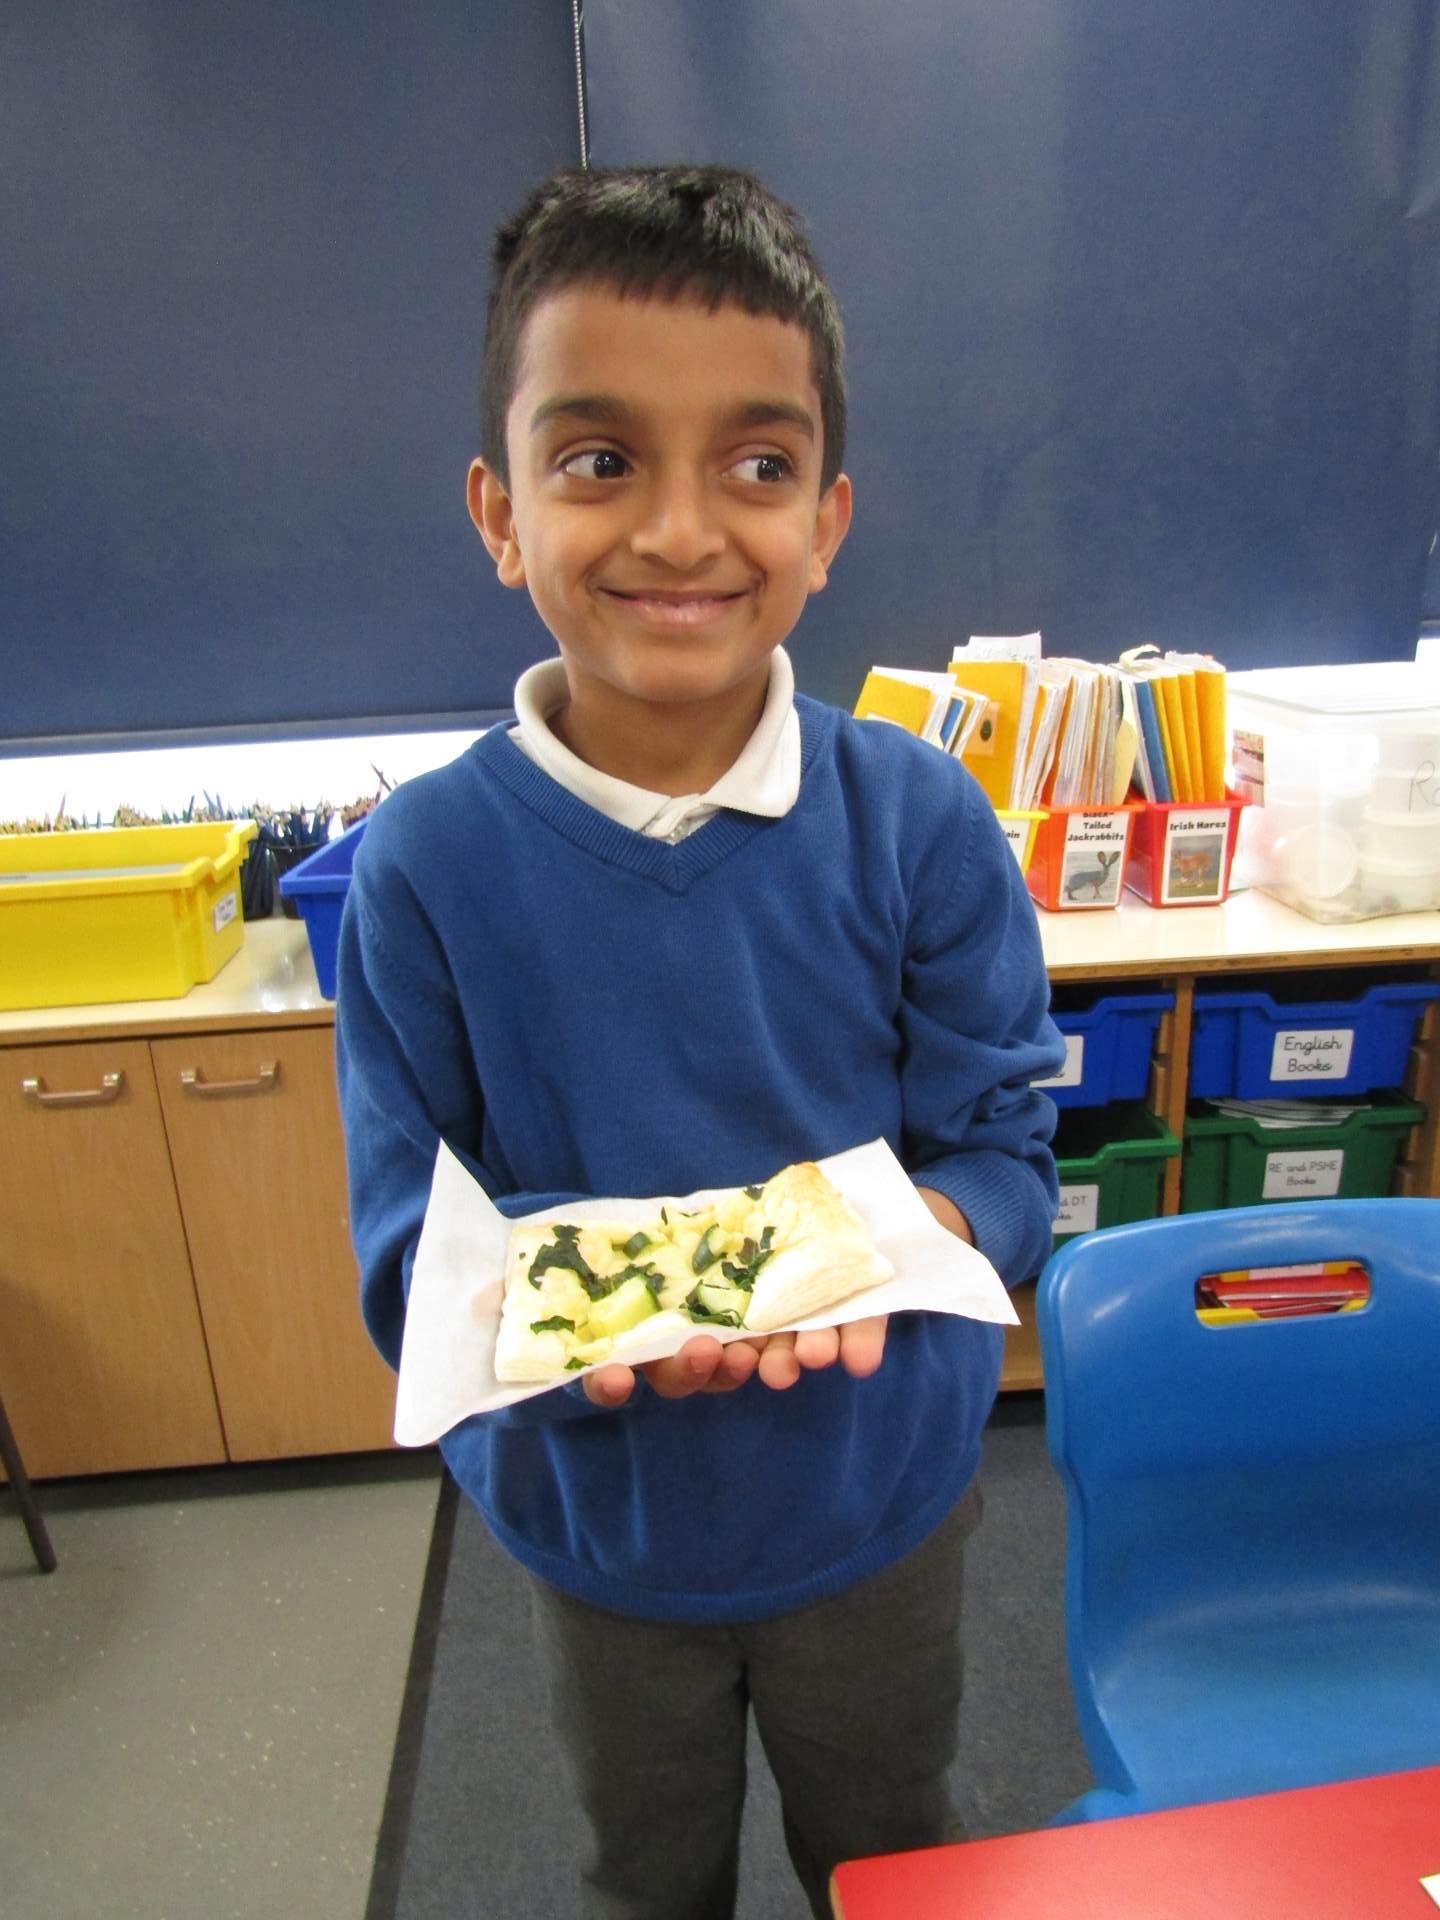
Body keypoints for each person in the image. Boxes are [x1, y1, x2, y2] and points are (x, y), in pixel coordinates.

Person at [334, 162, 1065, 1920]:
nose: (679, 532)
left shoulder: (919, 820)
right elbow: (410, 1248)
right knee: (646, 1872)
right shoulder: (425, 866)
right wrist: (585, 1319)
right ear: (500, 512)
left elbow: (1003, 1149)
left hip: (875, 1497)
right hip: (604, 1523)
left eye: (756, 465)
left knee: (892, 1856)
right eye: (600, 460)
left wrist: (909, 1236)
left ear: (826, 518)